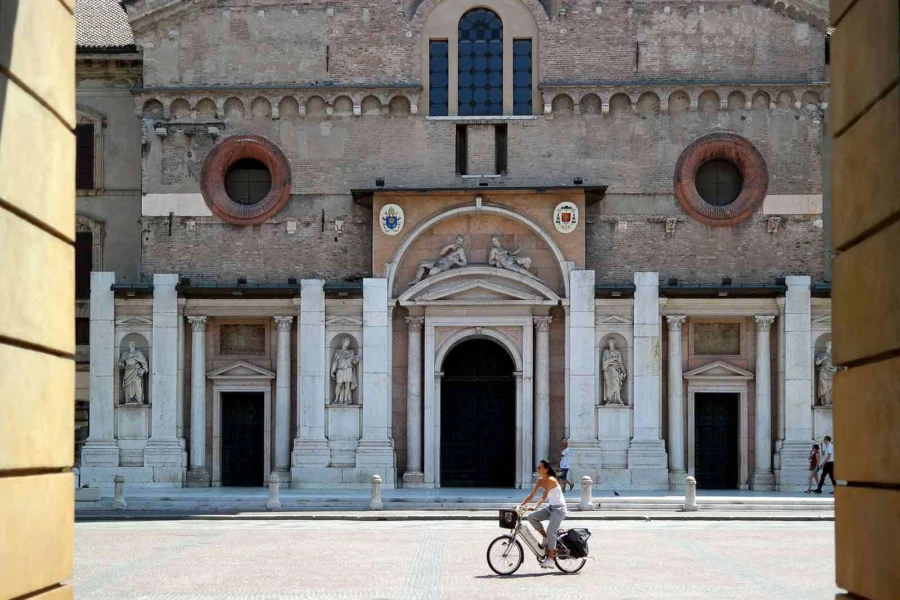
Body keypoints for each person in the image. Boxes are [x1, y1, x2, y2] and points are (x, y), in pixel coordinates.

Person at [521, 459, 568, 569]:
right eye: (537, 468)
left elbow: (543, 496)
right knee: (531, 517)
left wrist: (535, 506)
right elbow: (531, 496)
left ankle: (551, 560)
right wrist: (521, 505)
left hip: (559, 509)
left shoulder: (551, 480)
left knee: (551, 531)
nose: (537, 469)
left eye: (539, 468)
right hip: (551, 508)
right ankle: (546, 538)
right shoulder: (541, 481)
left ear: (546, 469)